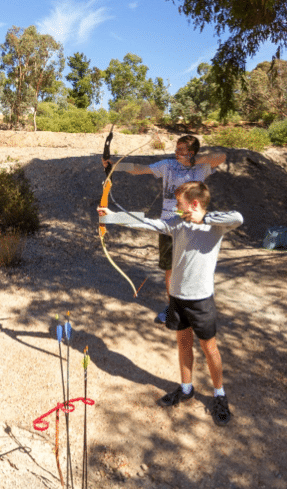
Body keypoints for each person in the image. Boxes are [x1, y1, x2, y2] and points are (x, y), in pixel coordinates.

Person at [98, 180, 243, 426]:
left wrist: (203, 219)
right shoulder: (176, 223)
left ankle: (219, 393)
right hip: (177, 297)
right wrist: (112, 216)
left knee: (210, 349)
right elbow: (148, 223)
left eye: (179, 203)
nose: (176, 207)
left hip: (201, 300)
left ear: (194, 203)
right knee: (183, 343)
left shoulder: (216, 225)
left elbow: (238, 217)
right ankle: (186, 388)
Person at [102, 135, 227, 323]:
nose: (176, 153)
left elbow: (221, 156)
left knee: (190, 267)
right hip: (168, 224)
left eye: (181, 150)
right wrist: (115, 165)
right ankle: (173, 308)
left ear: (191, 152)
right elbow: (139, 169)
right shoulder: (168, 165)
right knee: (169, 268)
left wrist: (194, 161)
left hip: (192, 226)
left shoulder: (202, 167)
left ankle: (194, 306)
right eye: (176, 149)